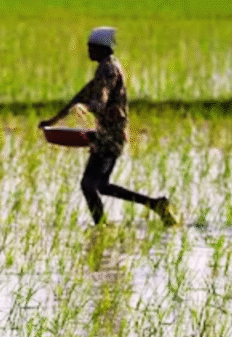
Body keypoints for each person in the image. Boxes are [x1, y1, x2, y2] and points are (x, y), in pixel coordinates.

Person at [39, 26, 178, 226]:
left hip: (110, 136)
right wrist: (54, 120)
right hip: (107, 134)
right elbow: (82, 95)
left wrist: (86, 108)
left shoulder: (108, 69)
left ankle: (102, 226)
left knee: (89, 185)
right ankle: (154, 204)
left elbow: (99, 100)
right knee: (100, 185)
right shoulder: (106, 67)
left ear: (101, 48)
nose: (88, 51)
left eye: (91, 47)